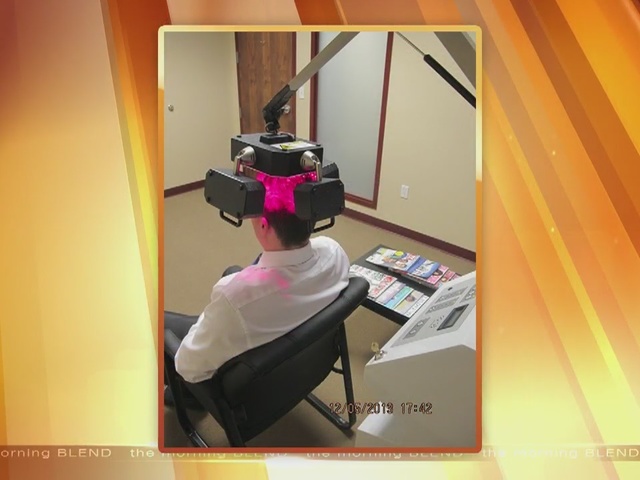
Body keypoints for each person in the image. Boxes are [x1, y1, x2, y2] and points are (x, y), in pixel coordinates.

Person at [164, 207, 350, 407]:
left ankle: (188, 394)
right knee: (232, 274)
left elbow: (187, 367)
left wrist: (213, 314)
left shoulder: (233, 301)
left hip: (251, 388)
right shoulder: (334, 251)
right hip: (306, 363)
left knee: (155, 325)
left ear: (263, 224)